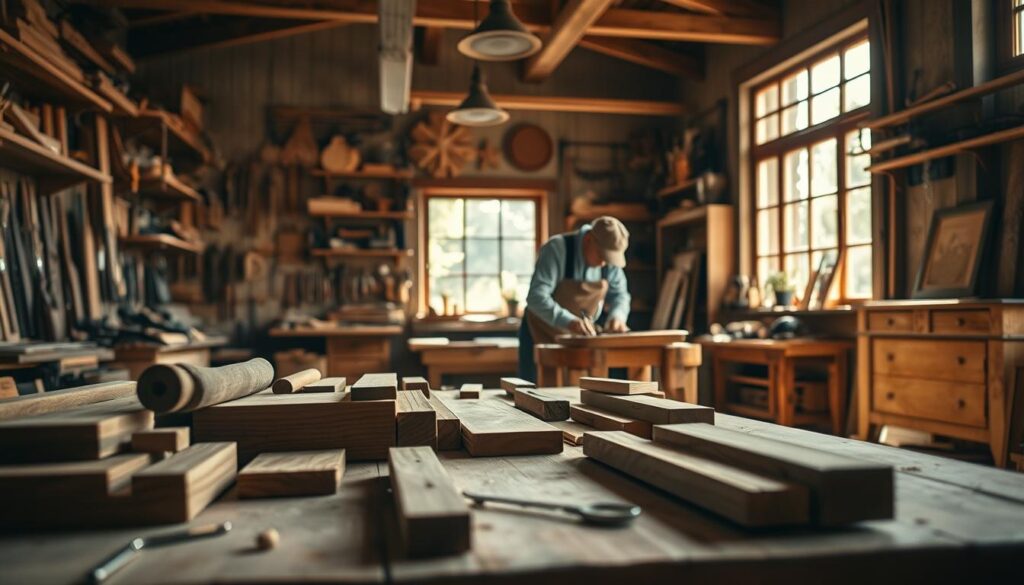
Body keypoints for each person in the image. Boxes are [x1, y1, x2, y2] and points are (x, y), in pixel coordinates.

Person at [517, 216, 631, 381]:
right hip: (540, 333)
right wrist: (569, 322)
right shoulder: (557, 249)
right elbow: (536, 296)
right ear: (588, 239)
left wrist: (617, 316)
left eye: (609, 259)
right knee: (533, 393)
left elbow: (620, 294)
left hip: (580, 339)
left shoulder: (607, 262)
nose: (604, 264)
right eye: (601, 255)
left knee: (577, 394)